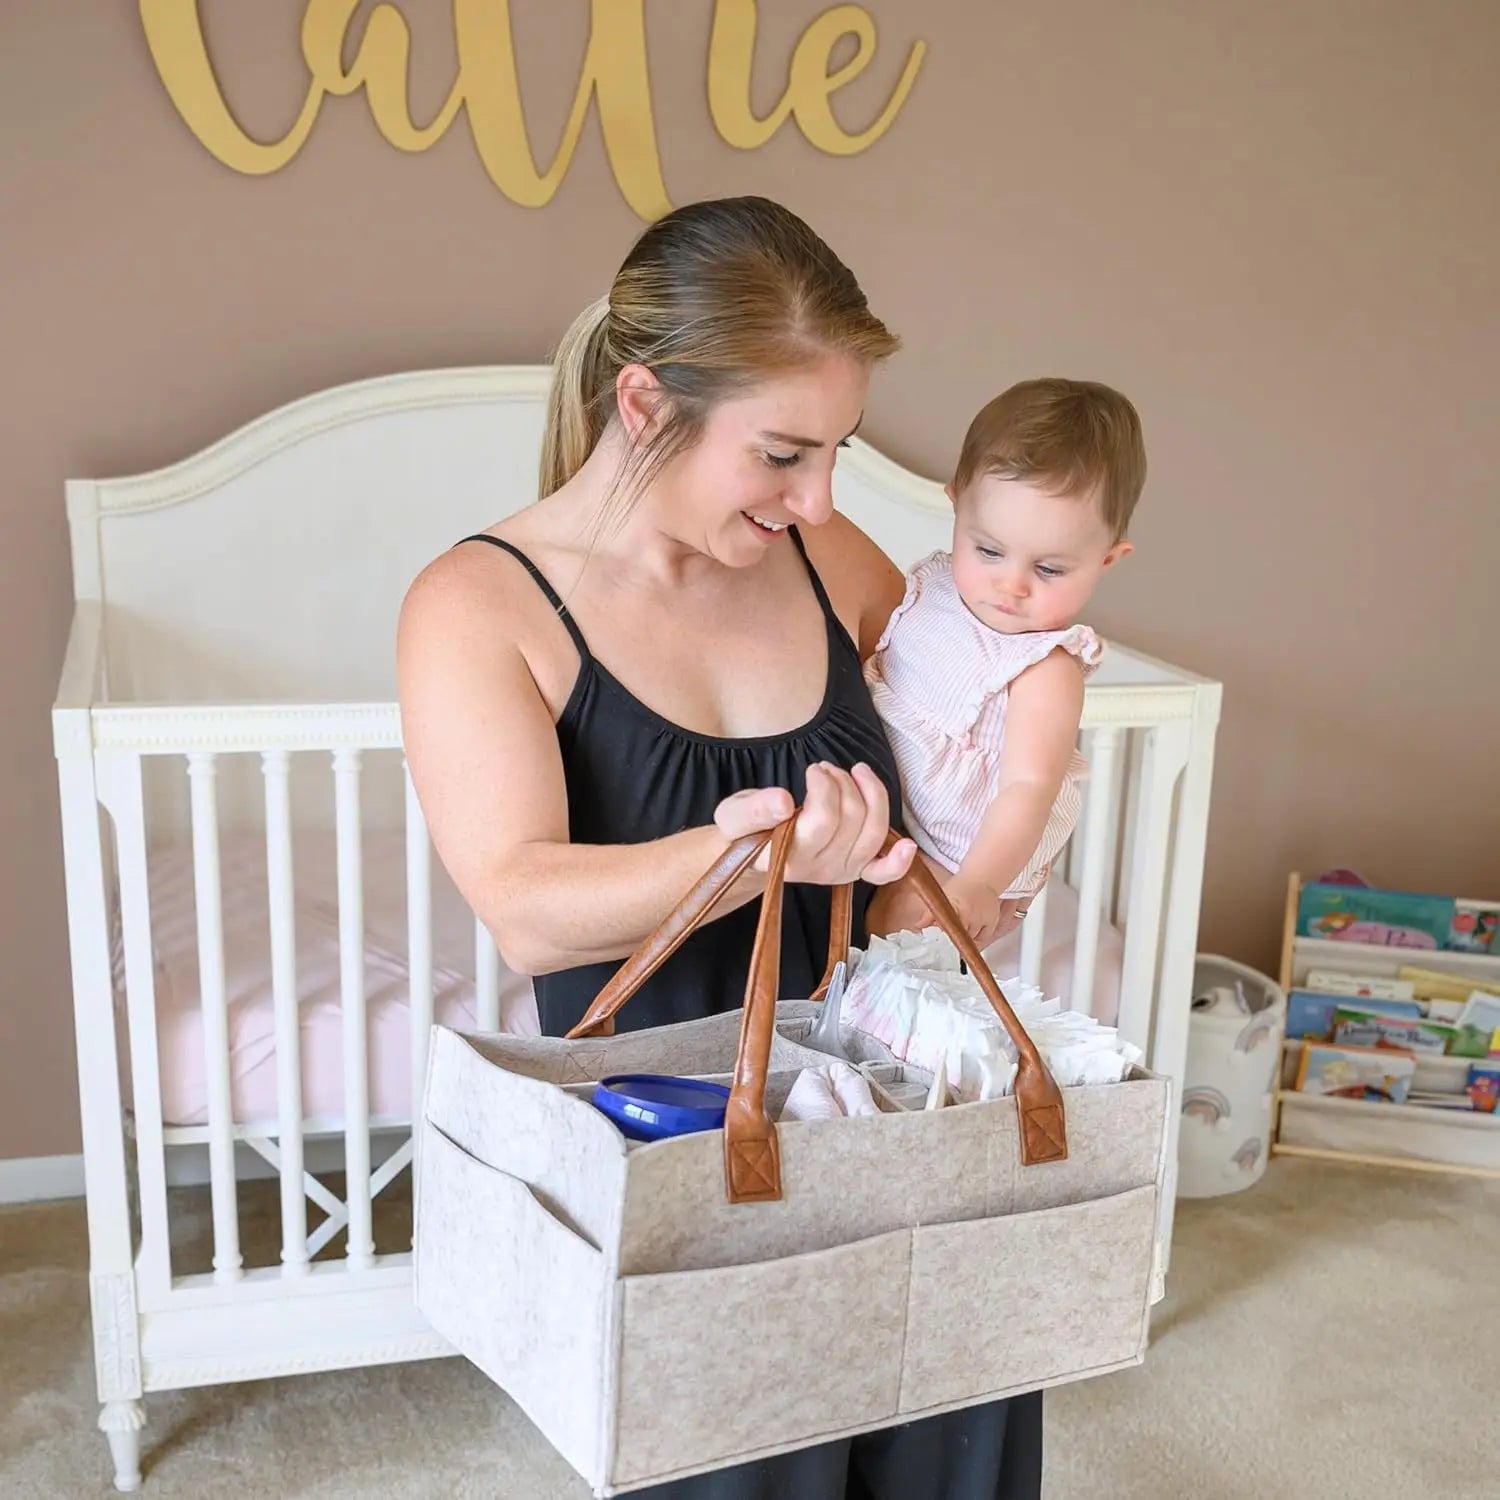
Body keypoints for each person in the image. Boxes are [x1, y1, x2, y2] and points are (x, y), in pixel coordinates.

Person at [397, 194, 1042, 1498]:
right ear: (644, 408)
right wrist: (754, 859)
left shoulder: (822, 558)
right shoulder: (478, 606)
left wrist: (965, 861)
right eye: (783, 454)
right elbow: (526, 908)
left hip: (895, 1118)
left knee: (950, 1446)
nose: (816, 497)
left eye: (838, 452)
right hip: (686, 1164)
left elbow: (970, 718)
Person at [864, 380, 1144, 948]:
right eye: (989, 551)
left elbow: (1028, 787)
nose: (1010, 585)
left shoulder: (1045, 668)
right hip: (901, 816)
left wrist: (979, 884)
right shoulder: (933, 587)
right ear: (956, 505)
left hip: (962, 856)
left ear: (1108, 559)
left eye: (1049, 570)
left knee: (882, 952)